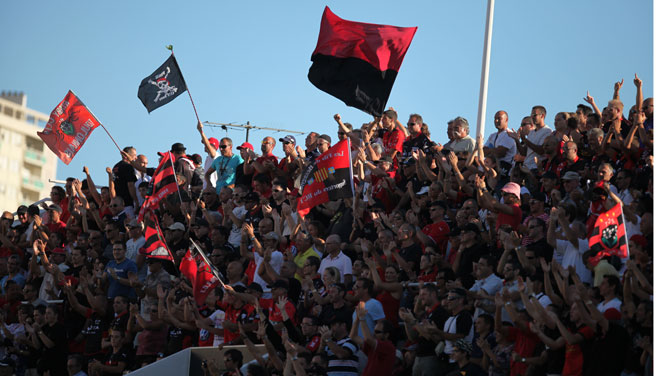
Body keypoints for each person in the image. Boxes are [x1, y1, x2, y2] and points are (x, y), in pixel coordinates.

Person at [112, 146, 138, 217]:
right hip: (128, 203)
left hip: (119, 203)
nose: (136, 158)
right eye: (134, 155)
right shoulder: (128, 167)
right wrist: (136, 201)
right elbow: (130, 185)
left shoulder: (115, 167)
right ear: (127, 155)